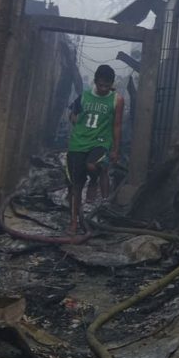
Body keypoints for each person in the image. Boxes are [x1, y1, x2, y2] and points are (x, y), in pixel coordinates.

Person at [66, 64, 124, 234]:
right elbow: (72, 115)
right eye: (101, 85)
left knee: (93, 165)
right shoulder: (83, 97)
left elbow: (117, 125)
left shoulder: (117, 100)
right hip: (79, 143)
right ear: (95, 81)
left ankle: (94, 182)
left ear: (111, 84)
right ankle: (74, 222)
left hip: (100, 142)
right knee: (74, 187)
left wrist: (115, 149)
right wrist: (79, 124)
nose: (103, 88)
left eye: (107, 85)